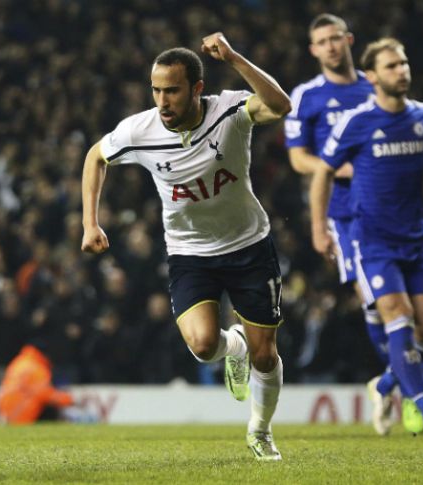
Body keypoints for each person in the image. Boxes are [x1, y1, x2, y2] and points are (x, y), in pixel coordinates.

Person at [81, 33, 291, 460]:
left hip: (249, 244)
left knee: (266, 355)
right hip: (189, 252)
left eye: (172, 90)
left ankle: (260, 429)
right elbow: (95, 157)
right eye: (156, 90)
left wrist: (234, 58)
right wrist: (90, 223)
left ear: (197, 88)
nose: (162, 101)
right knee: (202, 345)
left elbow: (281, 105)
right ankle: (233, 347)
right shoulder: (139, 130)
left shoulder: (229, 110)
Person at [309, 37, 423, 436]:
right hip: (372, 240)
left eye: (404, 63)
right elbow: (323, 171)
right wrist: (319, 228)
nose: (402, 71)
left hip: (415, 239)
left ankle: (385, 385)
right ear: (373, 76)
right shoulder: (356, 121)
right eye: (392, 66)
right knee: (398, 315)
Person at [284, 14, 399, 435]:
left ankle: (392, 383)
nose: (331, 46)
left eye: (336, 38)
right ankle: (408, 386)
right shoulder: (306, 96)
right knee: (375, 299)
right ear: (313, 50)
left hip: (393, 206)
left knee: (410, 303)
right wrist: (338, 167)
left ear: (349, 40)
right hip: (346, 212)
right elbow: (298, 158)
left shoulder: (376, 85)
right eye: (322, 41)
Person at [0, 341, 75, 424]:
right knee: (51, 405)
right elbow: (44, 393)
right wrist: (69, 399)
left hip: (8, 412)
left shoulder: (18, 362)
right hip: (22, 414)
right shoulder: (36, 367)